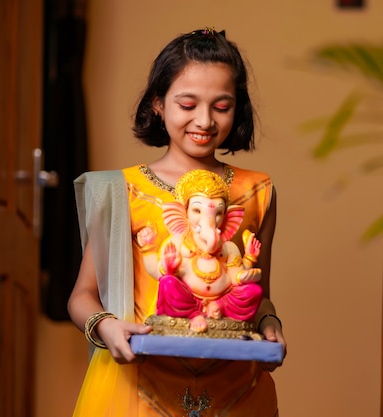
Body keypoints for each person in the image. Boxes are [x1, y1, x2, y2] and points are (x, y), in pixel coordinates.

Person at [68, 28, 286, 416]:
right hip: (138, 390)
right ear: (158, 103)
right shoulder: (123, 191)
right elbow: (82, 297)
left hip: (236, 391)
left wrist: (270, 324)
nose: (204, 120)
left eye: (222, 106)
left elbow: (258, 293)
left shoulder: (258, 191)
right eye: (187, 104)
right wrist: (106, 327)